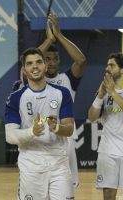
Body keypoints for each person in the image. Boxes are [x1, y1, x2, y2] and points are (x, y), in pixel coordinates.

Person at [5, 48, 75, 199]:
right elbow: (10, 136)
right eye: (29, 64)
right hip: (31, 165)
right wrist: (32, 132)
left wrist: (56, 127)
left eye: (38, 62)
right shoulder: (16, 98)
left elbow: (69, 129)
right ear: (24, 70)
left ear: (44, 65)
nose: (34, 66)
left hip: (59, 164)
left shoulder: (62, 93)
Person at [38, 13, 87, 188]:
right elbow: (26, 63)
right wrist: (48, 41)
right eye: (47, 59)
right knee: (41, 190)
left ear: (59, 61)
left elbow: (80, 60)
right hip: (40, 139)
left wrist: (58, 35)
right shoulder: (35, 81)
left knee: (66, 189)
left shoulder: (67, 79)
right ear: (41, 62)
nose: (51, 63)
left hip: (65, 139)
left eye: (55, 59)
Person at [88, 53, 123, 200]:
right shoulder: (103, 91)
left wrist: (112, 92)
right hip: (107, 150)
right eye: (107, 65)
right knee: (108, 193)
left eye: (111, 65)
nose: (107, 68)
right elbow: (92, 117)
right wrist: (100, 95)